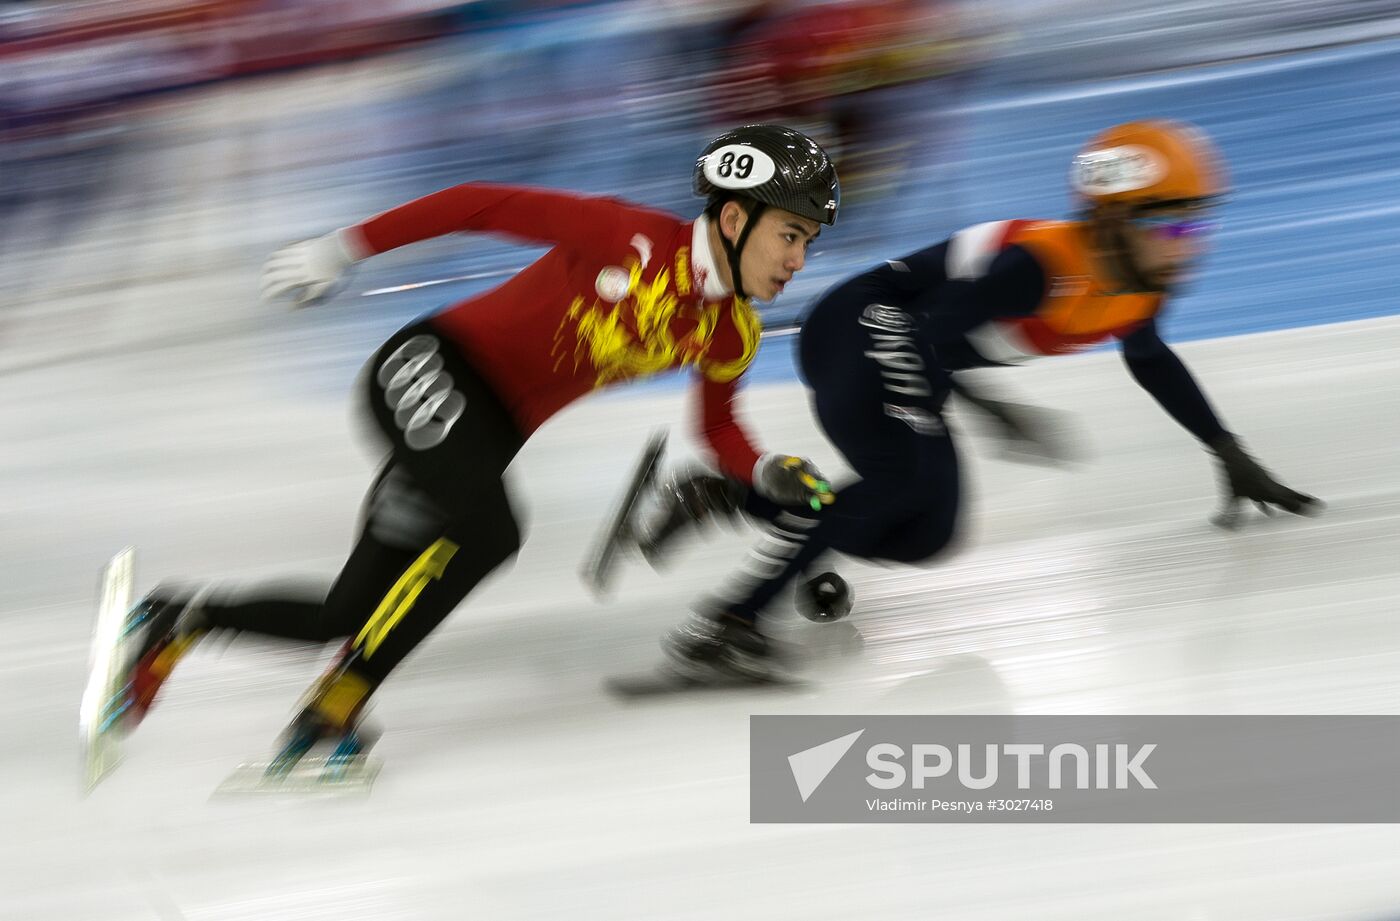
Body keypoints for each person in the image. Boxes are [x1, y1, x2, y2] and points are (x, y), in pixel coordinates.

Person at [107, 124, 841, 772]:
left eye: (807, 243)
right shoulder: (630, 237)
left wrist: (767, 468)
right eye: (791, 235)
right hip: (430, 364)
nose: (797, 260)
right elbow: (478, 202)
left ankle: (176, 620)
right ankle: (336, 703)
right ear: (736, 217)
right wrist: (341, 249)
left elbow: (716, 429)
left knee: (346, 608)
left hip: (484, 432)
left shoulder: (729, 333)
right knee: (491, 531)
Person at [633, 119, 1320, 682]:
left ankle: (731, 496)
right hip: (861, 325)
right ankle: (729, 624)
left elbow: (1150, 358)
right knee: (904, 480)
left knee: (927, 534)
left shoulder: (1140, 281)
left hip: (899, 349)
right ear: (1112, 220)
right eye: (1171, 229)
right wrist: (997, 412)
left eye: (1197, 229)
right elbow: (921, 332)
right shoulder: (1038, 270)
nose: (1186, 250)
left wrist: (1227, 449)